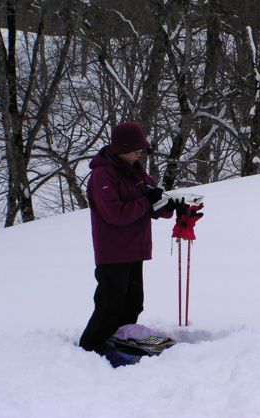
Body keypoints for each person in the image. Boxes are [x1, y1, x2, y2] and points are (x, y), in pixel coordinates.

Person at [79, 122, 179, 355]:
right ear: (120, 148)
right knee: (110, 306)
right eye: (134, 148)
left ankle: (120, 341)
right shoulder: (102, 175)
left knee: (134, 303)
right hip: (113, 251)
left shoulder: (135, 170)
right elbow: (115, 214)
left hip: (135, 248)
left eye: (140, 148)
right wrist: (148, 201)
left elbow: (152, 203)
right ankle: (89, 350)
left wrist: (169, 206)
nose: (138, 153)